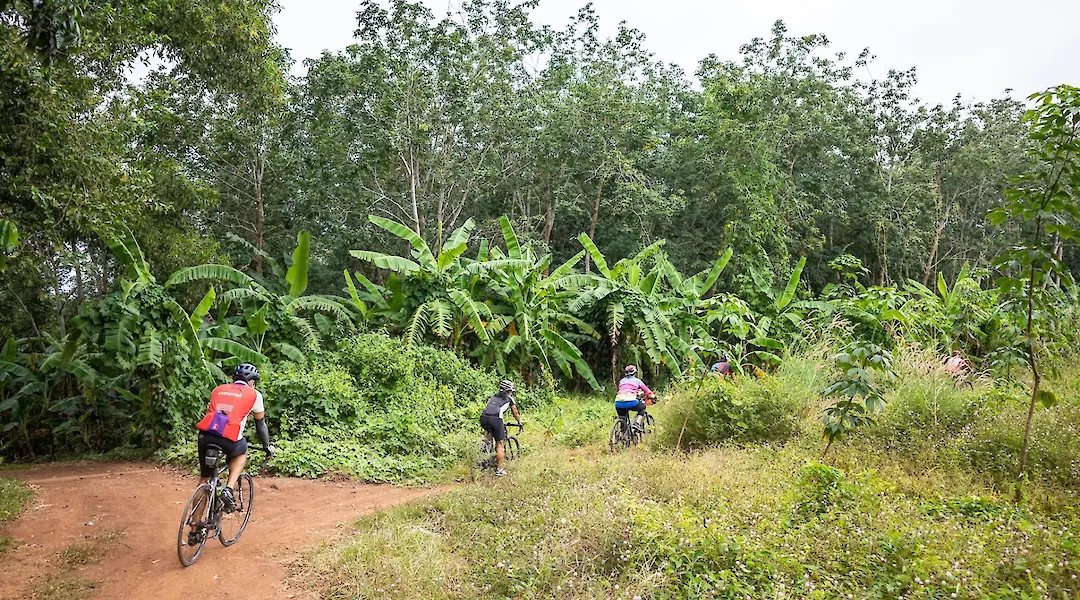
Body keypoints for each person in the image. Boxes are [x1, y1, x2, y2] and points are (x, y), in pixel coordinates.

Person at [195, 363, 274, 510]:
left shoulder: (218, 390)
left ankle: (194, 528)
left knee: (205, 480)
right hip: (229, 438)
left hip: (205, 436)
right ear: (251, 382)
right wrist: (266, 445)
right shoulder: (255, 395)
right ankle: (229, 489)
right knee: (242, 451)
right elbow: (260, 425)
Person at [479, 379, 521, 477]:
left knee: (488, 437)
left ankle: (483, 455)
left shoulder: (494, 396)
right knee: (500, 444)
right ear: (508, 391)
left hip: (483, 418)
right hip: (496, 419)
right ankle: (499, 470)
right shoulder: (509, 399)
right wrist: (519, 422)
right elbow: (515, 413)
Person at [615, 365, 655, 432]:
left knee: (623, 418)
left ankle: (623, 435)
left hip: (618, 402)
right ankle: (637, 424)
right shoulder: (637, 381)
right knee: (642, 407)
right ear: (635, 373)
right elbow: (647, 391)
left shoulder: (622, 381)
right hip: (631, 402)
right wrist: (653, 396)